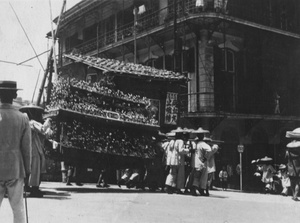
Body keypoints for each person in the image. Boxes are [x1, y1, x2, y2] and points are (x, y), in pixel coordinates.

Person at [0, 80, 32, 223]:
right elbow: (26, 148)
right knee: (18, 209)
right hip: (16, 169)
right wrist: (28, 169)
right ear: (14, 95)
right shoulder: (22, 117)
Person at [19, 105, 52, 197]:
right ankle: (34, 188)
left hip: (26, 148)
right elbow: (42, 129)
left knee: (28, 169)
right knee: (35, 169)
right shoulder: (32, 123)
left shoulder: (24, 123)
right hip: (34, 149)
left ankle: (27, 186)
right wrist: (48, 121)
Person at [165, 127, 190, 194]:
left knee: (172, 173)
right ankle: (178, 188)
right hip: (178, 160)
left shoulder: (172, 141)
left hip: (172, 160)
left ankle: (168, 185)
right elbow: (181, 150)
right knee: (180, 175)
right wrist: (188, 150)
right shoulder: (180, 141)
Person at [189, 127, 210, 196]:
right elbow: (209, 149)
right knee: (199, 177)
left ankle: (198, 189)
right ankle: (196, 189)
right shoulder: (202, 144)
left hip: (196, 162)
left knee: (196, 176)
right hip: (201, 163)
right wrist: (206, 157)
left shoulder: (196, 144)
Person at [285, 129, 300, 201]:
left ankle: (293, 194)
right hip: (298, 167)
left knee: (292, 182)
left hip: (290, 167)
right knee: (297, 182)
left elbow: (285, 158)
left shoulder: (288, 151)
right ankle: (295, 196)